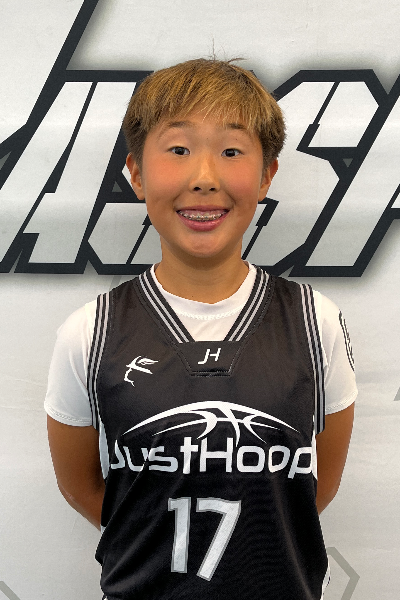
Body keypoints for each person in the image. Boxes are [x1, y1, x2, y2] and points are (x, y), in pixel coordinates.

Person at [45, 58, 357, 600]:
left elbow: (313, 490)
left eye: (231, 151)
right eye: (178, 149)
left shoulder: (315, 322)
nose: (205, 177)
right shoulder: (90, 331)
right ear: (136, 173)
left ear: (267, 175)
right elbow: (82, 487)